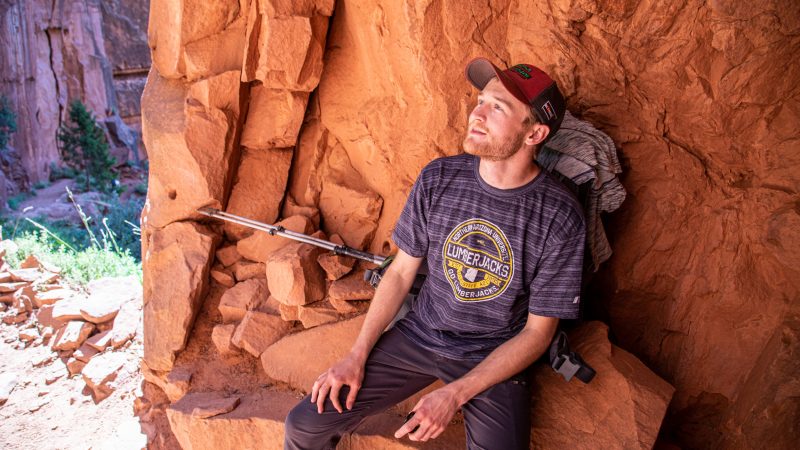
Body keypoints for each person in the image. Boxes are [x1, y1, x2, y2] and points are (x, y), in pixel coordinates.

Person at [284, 57, 586, 450]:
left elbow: (537, 332)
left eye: (498, 108)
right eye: (481, 100)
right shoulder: (440, 177)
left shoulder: (559, 216)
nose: (477, 114)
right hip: (420, 334)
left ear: (535, 133)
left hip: (491, 353)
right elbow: (399, 273)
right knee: (303, 426)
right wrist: (356, 355)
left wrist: (454, 395)